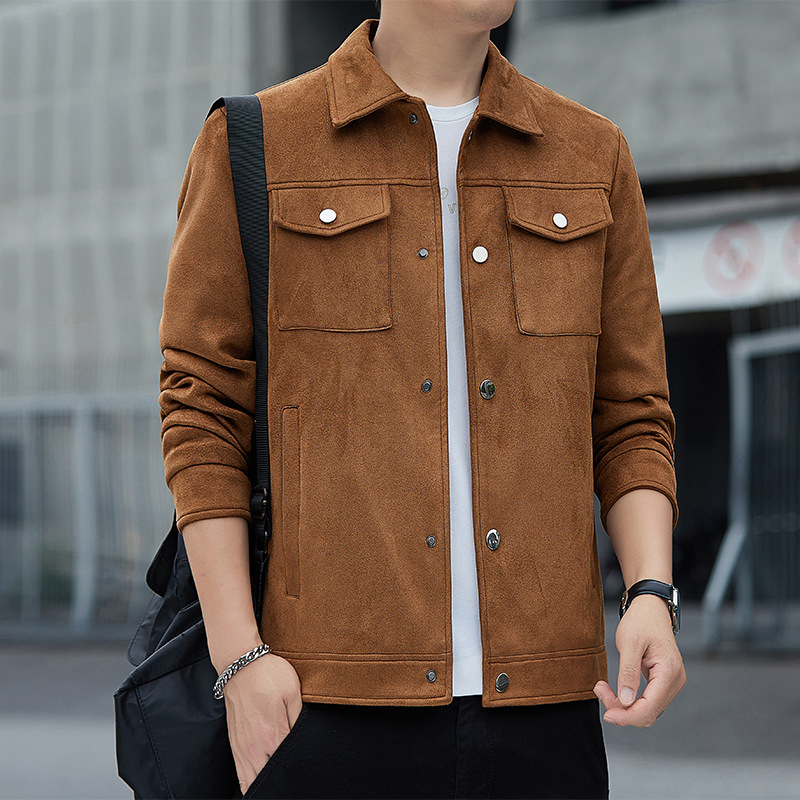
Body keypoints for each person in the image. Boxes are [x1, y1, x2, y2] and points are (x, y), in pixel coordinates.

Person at [158, 1, 686, 798]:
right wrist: (240, 661)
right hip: (322, 700)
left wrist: (650, 593)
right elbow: (202, 413)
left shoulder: (592, 154)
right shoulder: (257, 142)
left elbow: (631, 414)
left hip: (544, 710)